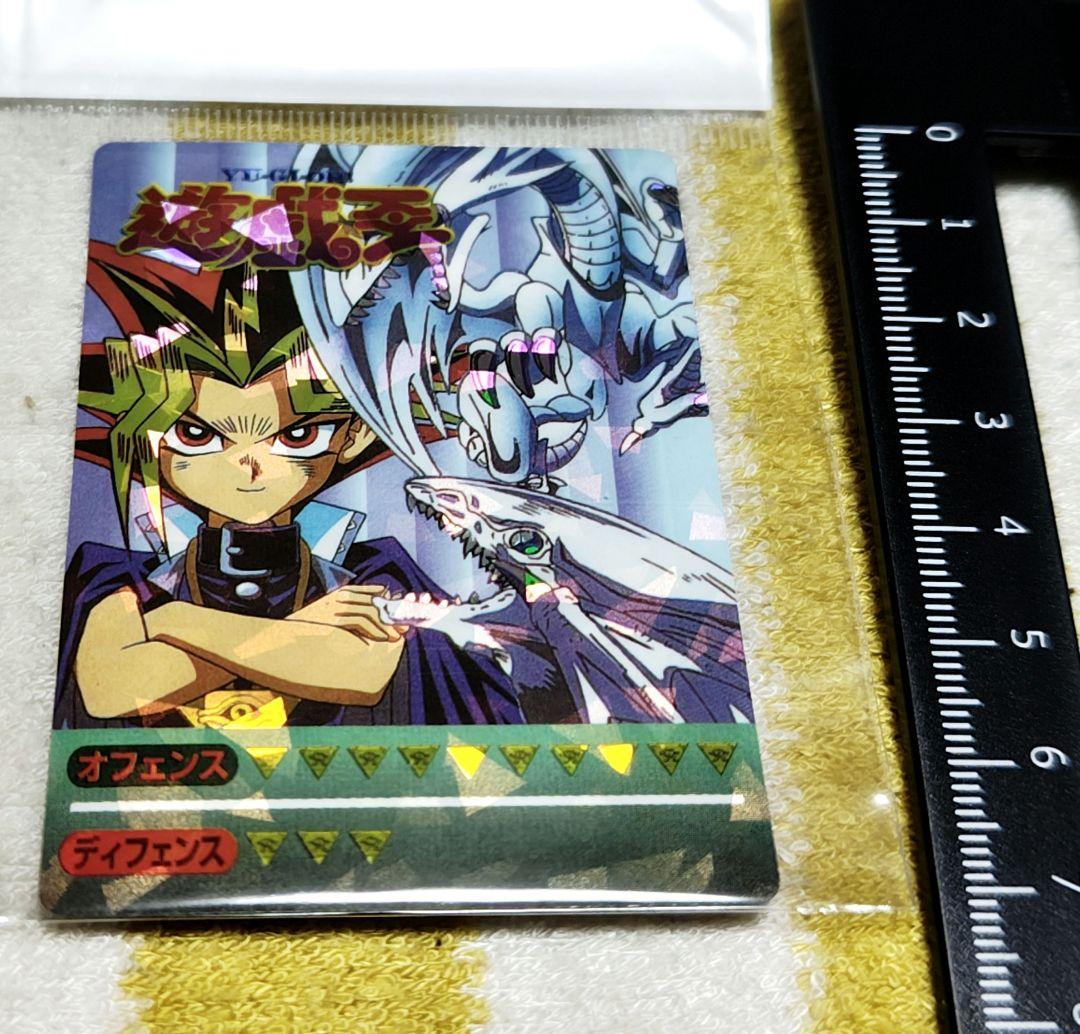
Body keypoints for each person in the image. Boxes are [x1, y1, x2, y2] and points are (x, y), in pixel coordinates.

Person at [55, 245, 524, 729]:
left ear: (354, 435)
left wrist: (171, 622)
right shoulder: (117, 576)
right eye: (196, 434)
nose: (247, 466)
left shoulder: (374, 572)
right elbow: (110, 687)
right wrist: (305, 631)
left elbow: (360, 672)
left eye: (295, 436)